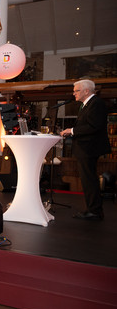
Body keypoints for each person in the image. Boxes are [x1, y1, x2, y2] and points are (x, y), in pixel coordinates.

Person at [60, 79, 111, 220]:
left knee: (89, 179)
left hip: (89, 148)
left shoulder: (97, 103)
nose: (74, 93)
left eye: (76, 90)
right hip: (85, 148)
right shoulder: (86, 104)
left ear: (86, 91)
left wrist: (72, 130)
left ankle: (94, 211)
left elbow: (94, 126)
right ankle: (93, 209)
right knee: (87, 179)